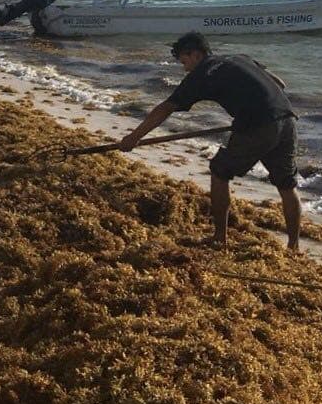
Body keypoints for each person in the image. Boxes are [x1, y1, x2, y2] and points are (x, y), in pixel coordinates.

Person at [119, 32, 301, 251]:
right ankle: (294, 246)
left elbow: (166, 108)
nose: (185, 69)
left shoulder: (202, 73)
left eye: (184, 62)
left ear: (196, 54)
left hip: (258, 125)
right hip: (287, 119)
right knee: (286, 184)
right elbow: (280, 83)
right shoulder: (239, 58)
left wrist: (134, 137)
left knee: (219, 171)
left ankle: (219, 238)